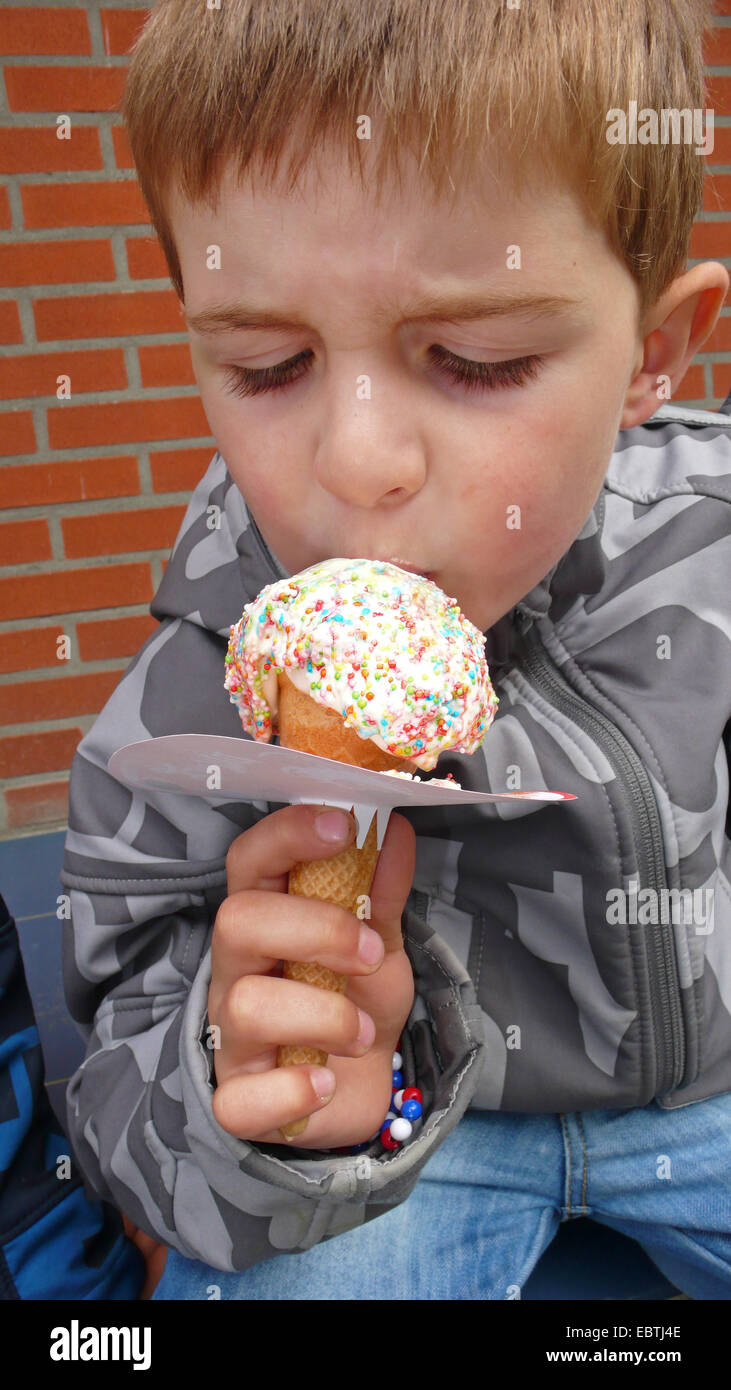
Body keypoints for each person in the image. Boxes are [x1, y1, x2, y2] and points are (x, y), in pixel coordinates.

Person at [60, 0, 731, 1300]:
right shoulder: (212, 663)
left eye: (476, 361)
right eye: (267, 364)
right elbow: (115, 1060)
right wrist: (240, 1082)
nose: (356, 464)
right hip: (429, 1136)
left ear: (653, 353)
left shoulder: (711, 547)